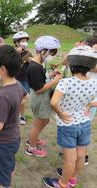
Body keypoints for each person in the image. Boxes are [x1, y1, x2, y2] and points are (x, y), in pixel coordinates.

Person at [43, 45, 97, 188]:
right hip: (85, 123)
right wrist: (90, 105)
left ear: (72, 65)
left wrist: (60, 113)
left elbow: (54, 102)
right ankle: (73, 178)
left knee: (70, 159)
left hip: (68, 124)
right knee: (80, 155)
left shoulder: (66, 82)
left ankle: (62, 183)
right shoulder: (94, 82)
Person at [0, 45, 25, 188]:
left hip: (1, 142)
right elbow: (25, 97)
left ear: (2, 69)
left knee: (2, 174)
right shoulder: (18, 85)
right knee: (9, 166)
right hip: (13, 137)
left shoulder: (2, 95)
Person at [26, 36, 62, 157]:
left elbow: (42, 80)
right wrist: (55, 80)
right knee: (38, 124)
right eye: (51, 52)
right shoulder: (34, 67)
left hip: (42, 98)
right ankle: (31, 147)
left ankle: (33, 139)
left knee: (44, 121)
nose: (52, 55)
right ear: (43, 51)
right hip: (39, 99)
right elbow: (39, 89)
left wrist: (51, 74)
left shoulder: (39, 64)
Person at [13, 31, 32, 125]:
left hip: (25, 78)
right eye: (22, 41)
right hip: (14, 78)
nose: (25, 42)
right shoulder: (13, 51)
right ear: (17, 42)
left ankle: (22, 116)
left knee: (24, 98)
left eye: (26, 40)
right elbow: (11, 62)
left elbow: (32, 63)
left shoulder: (27, 52)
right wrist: (18, 53)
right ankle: (14, 115)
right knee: (17, 97)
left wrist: (30, 60)